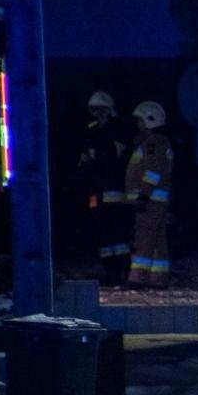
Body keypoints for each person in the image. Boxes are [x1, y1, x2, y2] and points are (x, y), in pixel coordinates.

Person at [78, 91, 131, 286]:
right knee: (103, 237)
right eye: (95, 109)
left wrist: (98, 155)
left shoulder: (118, 130)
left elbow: (116, 154)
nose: (98, 113)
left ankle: (123, 271)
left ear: (109, 110)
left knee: (119, 236)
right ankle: (110, 273)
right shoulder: (90, 130)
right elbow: (85, 157)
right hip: (97, 191)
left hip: (115, 190)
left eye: (101, 109)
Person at [124, 101, 175, 289]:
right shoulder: (157, 142)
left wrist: (143, 196)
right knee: (157, 240)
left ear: (149, 121)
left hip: (151, 200)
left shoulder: (154, 143)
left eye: (140, 121)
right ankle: (158, 279)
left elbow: (153, 172)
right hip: (156, 200)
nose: (138, 125)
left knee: (144, 239)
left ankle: (138, 278)